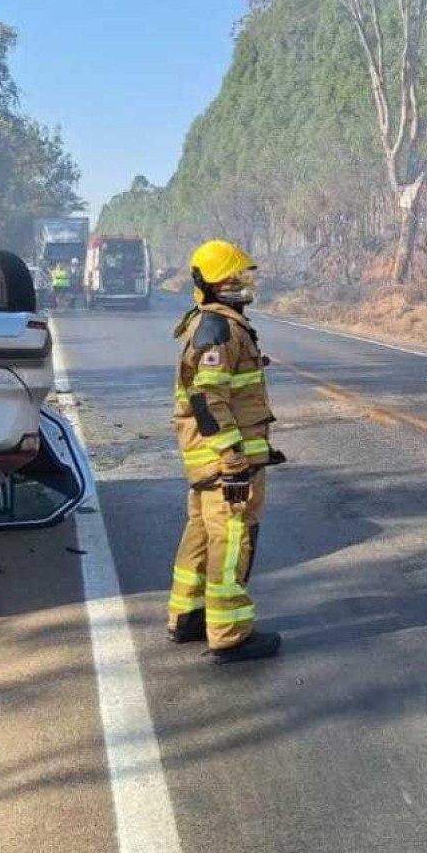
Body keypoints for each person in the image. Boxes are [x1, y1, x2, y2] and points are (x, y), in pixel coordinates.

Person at [166, 239, 284, 663]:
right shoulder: (218, 329)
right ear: (214, 283)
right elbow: (206, 399)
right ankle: (230, 632)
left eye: (243, 276)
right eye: (233, 277)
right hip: (226, 464)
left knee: (202, 531)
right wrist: (233, 457)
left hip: (210, 461)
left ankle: (188, 614)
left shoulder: (220, 324)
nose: (242, 283)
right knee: (232, 537)